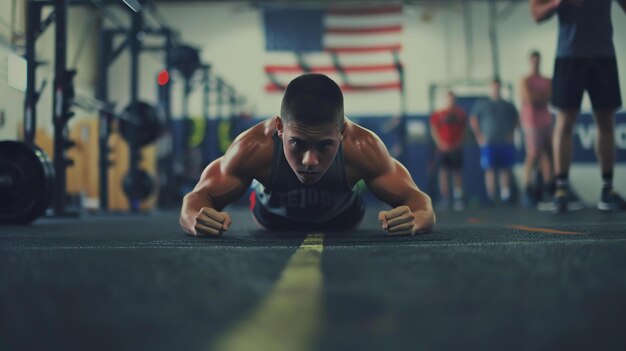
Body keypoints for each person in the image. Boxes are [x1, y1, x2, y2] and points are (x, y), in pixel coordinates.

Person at [179, 73, 435, 236]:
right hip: (273, 224)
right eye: (297, 143)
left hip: (343, 223)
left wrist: (415, 219)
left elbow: (419, 202)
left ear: (342, 132)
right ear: (279, 128)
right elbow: (198, 198)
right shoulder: (253, 147)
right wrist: (196, 219)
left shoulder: (363, 147)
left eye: (324, 145)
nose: (309, 161)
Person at [530, 0, 626, 212]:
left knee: (606, 121)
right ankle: (561, 189)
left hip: (603, 55)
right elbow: (536, 13)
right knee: (564, 121)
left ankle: (607, 189)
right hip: (569, 55)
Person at [470, 77, 520, 205]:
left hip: (504, 142)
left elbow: (516, 119)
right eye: (494, 86)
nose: (496, 89)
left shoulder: (508, 105)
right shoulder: (482, 104)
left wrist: (511, 133)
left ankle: (505, 195)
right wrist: (479, 137)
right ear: (490, 87)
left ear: (500, 87)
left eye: (498, 86)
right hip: (489, 143)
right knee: (490, 169)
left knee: (505, 168)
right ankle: (491, 196)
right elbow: (473, 120)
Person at [518, 50, 555, 207]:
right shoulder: (525, 80)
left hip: (546, 120)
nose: (536, 63)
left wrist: (538, 96)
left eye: (538, 60)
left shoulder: (547, 80)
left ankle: (549, 189)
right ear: (530, 61)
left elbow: (551, 97)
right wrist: (541, 96)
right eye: (533, 60)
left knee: (549, 154)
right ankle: (527, 190)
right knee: (533, 155)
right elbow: (530, 99)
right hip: (531, 122)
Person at [429, 90, 467, 210]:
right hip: (443, 149)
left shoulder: (460, 114)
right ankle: (445, 198)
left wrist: (459, 142)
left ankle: (458, 199)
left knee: (457, 173)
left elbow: (465, 130)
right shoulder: (438, 115)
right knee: (443, 173)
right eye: (449, 99)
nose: (451, 101)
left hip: (456, 148)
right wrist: (440, 143)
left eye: (453, 99)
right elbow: (433, 129)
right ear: (446, 100)